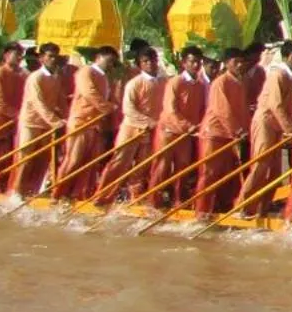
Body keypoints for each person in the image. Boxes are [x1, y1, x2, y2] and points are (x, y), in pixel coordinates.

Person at [236, 43, 292, 213]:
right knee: (260, 165)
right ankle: (241, 207)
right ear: (285, 58)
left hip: (277, 126)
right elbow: (276, 105)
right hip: (265, 122)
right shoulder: (278, 74)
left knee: (275, 172)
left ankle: (262, 208)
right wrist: (291, 129)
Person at [96, 44, 163, 202]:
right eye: (145, 61)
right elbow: (128, 109)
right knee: (119, 163)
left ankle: (136, 197)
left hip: (150, 132)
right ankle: (102, 196)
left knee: (143, 166)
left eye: (152, 60)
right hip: (131, 129)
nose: (150, 64)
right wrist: (149, 122)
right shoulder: (134, 83)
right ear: (140, 64)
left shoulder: (163, 82)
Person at [191, 48, 254, 213]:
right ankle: (201, 211)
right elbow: (222, 110)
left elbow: (242, 110)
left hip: (230, 135)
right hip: (214, 134)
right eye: (236, 62)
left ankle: (221, 209)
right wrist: (238, 130)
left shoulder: (241, 83)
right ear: (227, 64)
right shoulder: (221, 82)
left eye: (242, 62)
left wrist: (247, 130)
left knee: (227, 175)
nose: (240, 65)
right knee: (209, 174)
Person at [58, 45, 120, 200]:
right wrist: (109, 108)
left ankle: (79, 194)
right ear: (99, 57)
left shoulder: (106, 77)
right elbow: (90, 93)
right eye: (109, 60)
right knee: (74, 160)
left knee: (90, 164)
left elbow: (109, 98)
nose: (111, 65)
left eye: (113, 62)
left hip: (96, 125)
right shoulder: (85, 72)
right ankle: (58, 193)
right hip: (81, 122)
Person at [149, 48, 207, 206]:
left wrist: (198, 126)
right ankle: (153, 201)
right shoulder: (175, 82)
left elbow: (202, 109)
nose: (196, 65)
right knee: (162, 167)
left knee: (183, 167)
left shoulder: (201, 85)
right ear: (184, 63)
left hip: (187, 133)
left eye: (198, 62)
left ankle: (179, 200)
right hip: (168, 132)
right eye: (192, 61)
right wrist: (187, 126)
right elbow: (170, 110)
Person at [12, 44, 67, 197]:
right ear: (41, 58)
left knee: (45, 158)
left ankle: (34, 191)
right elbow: (38, 102)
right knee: (26, 158)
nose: (53, 59)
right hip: (30, 122)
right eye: (49, 56)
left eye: (55, 56)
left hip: (46, 124)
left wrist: (67, 118)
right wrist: (54, 121)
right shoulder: (35, 77)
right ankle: (17, 192)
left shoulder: (56, 78)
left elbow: (60, 100)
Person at [0, 45, 26, 189]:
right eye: (17, 54)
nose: (20, 57)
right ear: (6, 55)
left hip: (8, 125)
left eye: (21, 54)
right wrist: (19, 115)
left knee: (3, 160)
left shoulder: (21, 76)